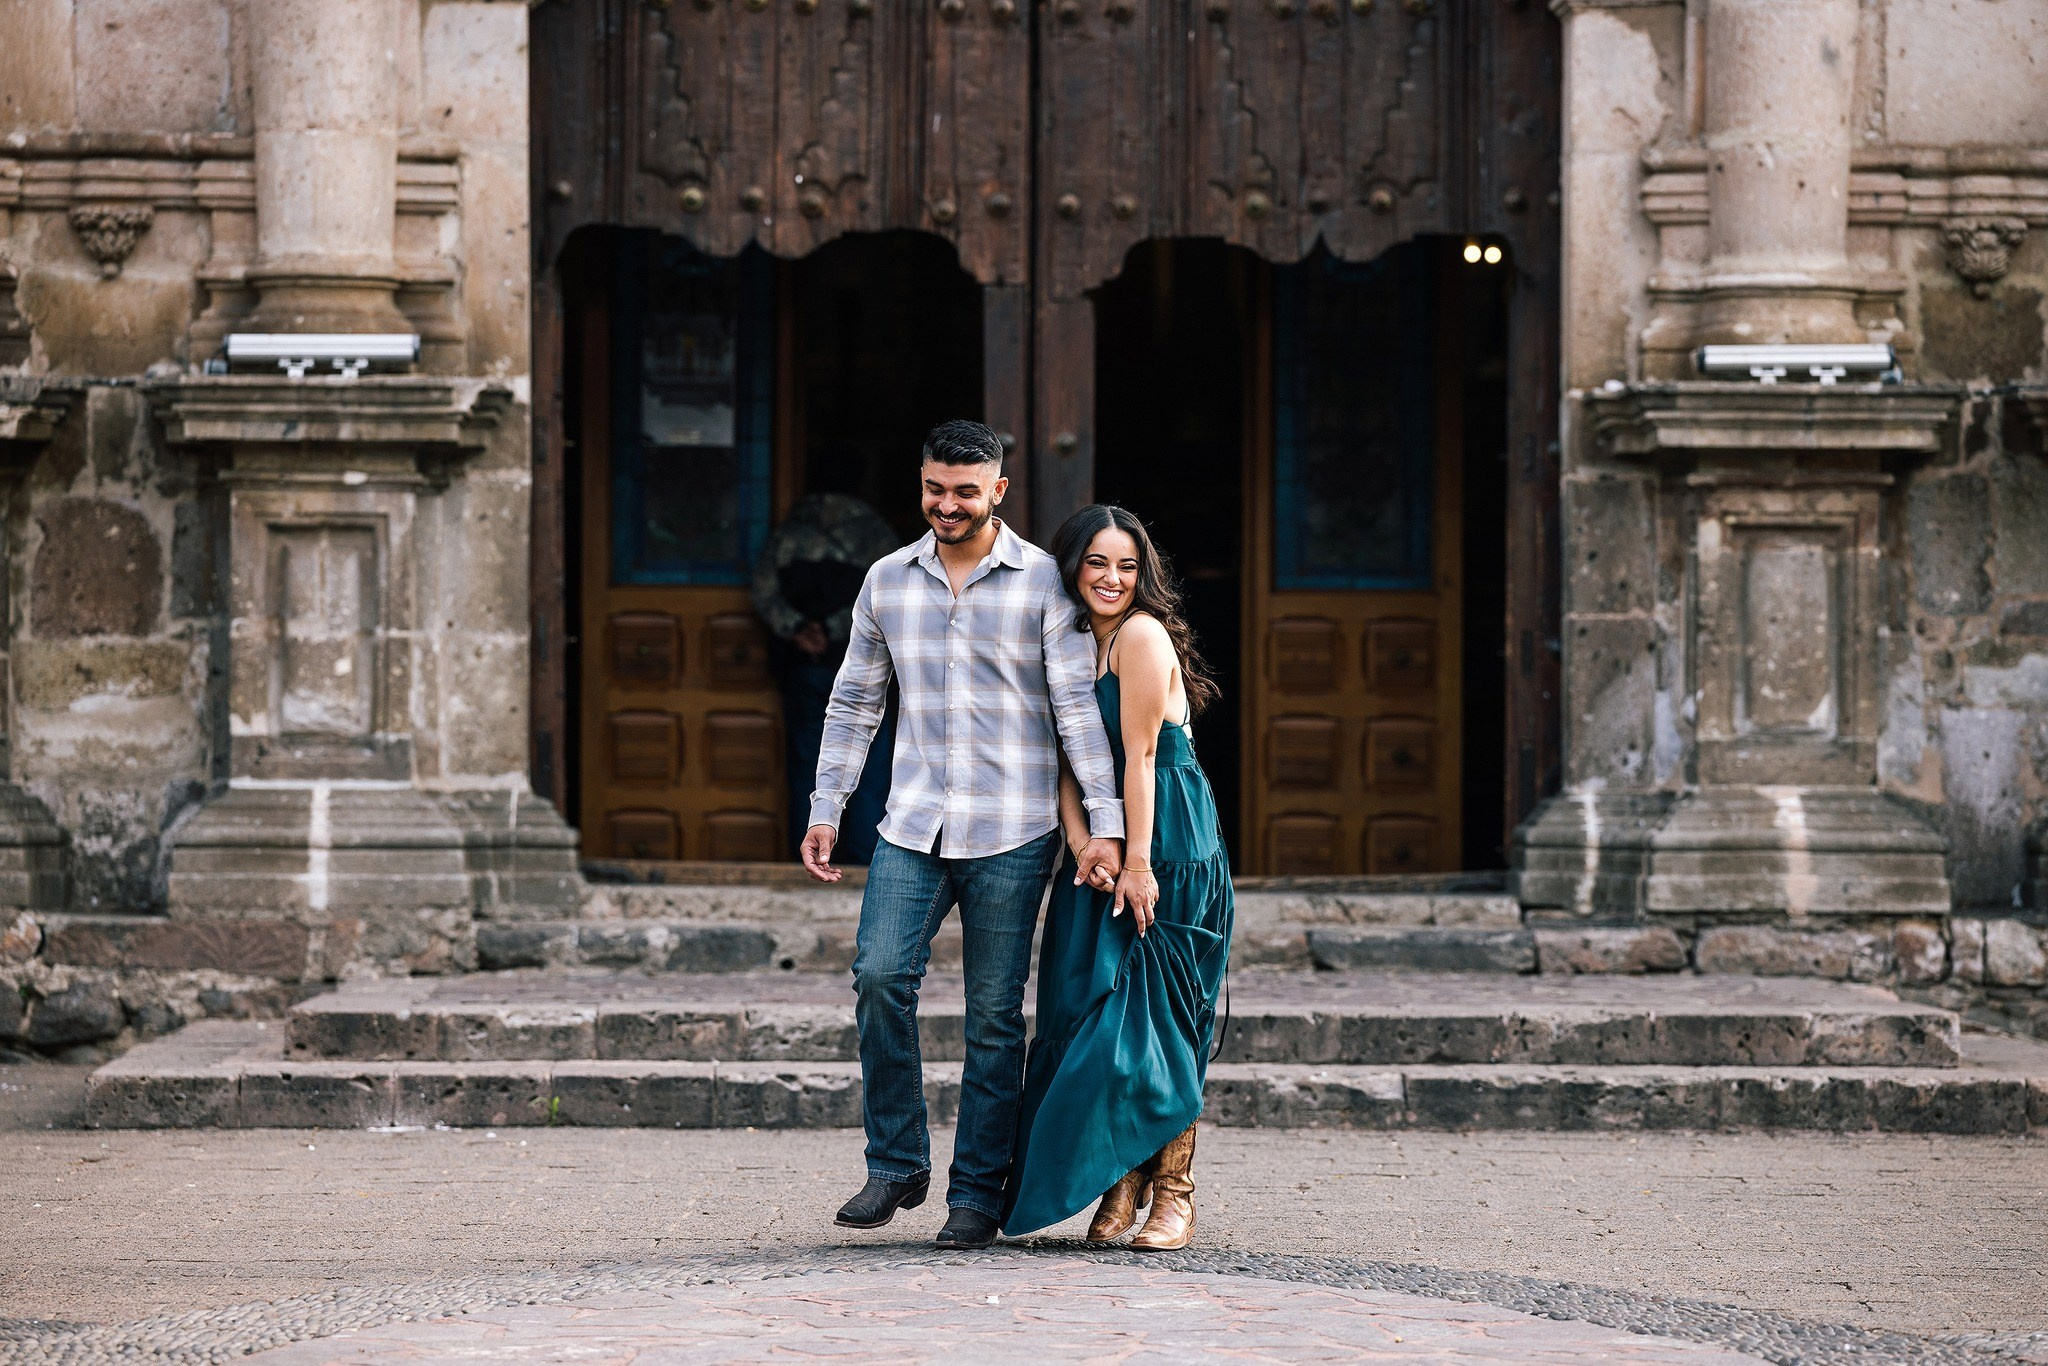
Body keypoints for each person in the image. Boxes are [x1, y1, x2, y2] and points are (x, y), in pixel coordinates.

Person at [800, 419, 1126, 1250]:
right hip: (912, 821)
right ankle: (897, 1163)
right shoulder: (884, 581)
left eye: (965, 492)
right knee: (878, 975)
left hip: (1013, 827)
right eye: (934, 489)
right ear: (921, 484)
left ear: (999, 492)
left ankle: (976, 1193)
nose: (947, 506)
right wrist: (826, 806)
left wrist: (1106, 829)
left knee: (991, 1018)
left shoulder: (1044, 585)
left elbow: (1076, 714)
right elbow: (854, 703)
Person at [1000, 503, 1233, 1251]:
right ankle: (1120, 1182)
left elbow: (1136, 759)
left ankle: (1175, 1194)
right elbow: (1066, 756)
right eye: (1097, 563)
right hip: (1109, 841)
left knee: (1159, 1020)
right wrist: (1082, 844)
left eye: (1127, 566)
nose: (1111, 578)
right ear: (1071, 568)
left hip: (1167, 835)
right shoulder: (1071, 641)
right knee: (1096, 1015)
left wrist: (1135, 862)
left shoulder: (1139, 633)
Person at [750, 473, 901, 863]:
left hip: (806, 665)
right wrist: (834, 631)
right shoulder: (874, 533)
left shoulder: (790, 531)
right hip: (868, 669)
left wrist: (799, 630)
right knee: (871, 765)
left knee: (808, 761)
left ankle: (808, 855)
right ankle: (865, 860)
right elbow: (890, 594)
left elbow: (763, 589)